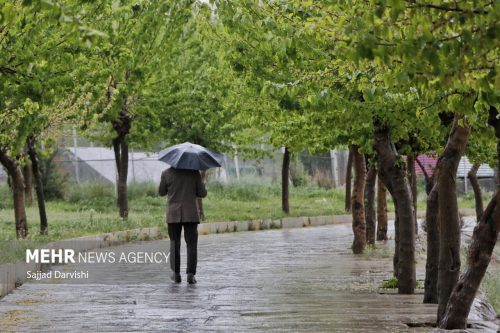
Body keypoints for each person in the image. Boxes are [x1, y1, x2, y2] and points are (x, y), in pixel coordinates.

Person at [159, 167, 207, 284]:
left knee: (174, 244)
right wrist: (203, 183)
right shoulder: (194, 172)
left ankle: (176, 274)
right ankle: (190, 274)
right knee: (191, 245)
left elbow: (161, 192)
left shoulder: (166, 173)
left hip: (173, 214)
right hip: (190, 214)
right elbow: (202, 193)